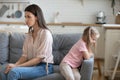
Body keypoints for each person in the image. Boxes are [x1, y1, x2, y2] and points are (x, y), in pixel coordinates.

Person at [0, 4, 54, 80]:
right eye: (25, 17)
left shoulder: (45, 33)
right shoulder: (29, 35)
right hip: (32, 65)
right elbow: (24, 56)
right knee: (3, 71)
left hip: (44, 67)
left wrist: (16, 66)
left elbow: (39, 59)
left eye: (29, 17)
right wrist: (14, 64)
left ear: (37, 17)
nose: (26, 20)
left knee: (14, 72)